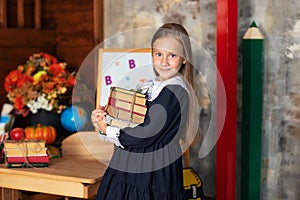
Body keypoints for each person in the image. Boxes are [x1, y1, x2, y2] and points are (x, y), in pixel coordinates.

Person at [91, 23, 200, 200]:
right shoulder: (151, 85)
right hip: (132, 162)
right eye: (158, 54)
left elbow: (147, 133)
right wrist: (107, 117)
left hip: (151, 170)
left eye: (172, 55)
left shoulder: (175, 91)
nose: (164, 62)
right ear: (152, 55)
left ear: (184, 58)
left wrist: (107, 129)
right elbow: (136, 120)